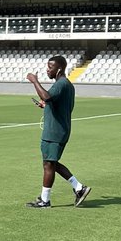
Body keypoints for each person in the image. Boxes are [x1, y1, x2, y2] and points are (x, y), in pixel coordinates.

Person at [26, 55, 90, 208]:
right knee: (51, 163)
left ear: (59, 69)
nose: (47, 70)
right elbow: (55, 103)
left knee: (49, 164)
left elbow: (47, 96)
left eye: (50, 67)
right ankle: (79, 188)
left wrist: (34, 81)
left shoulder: (61, 84)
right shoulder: (66, 85)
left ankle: (45, 200)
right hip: (59, 130)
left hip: (55, 131)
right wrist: (45, 106)